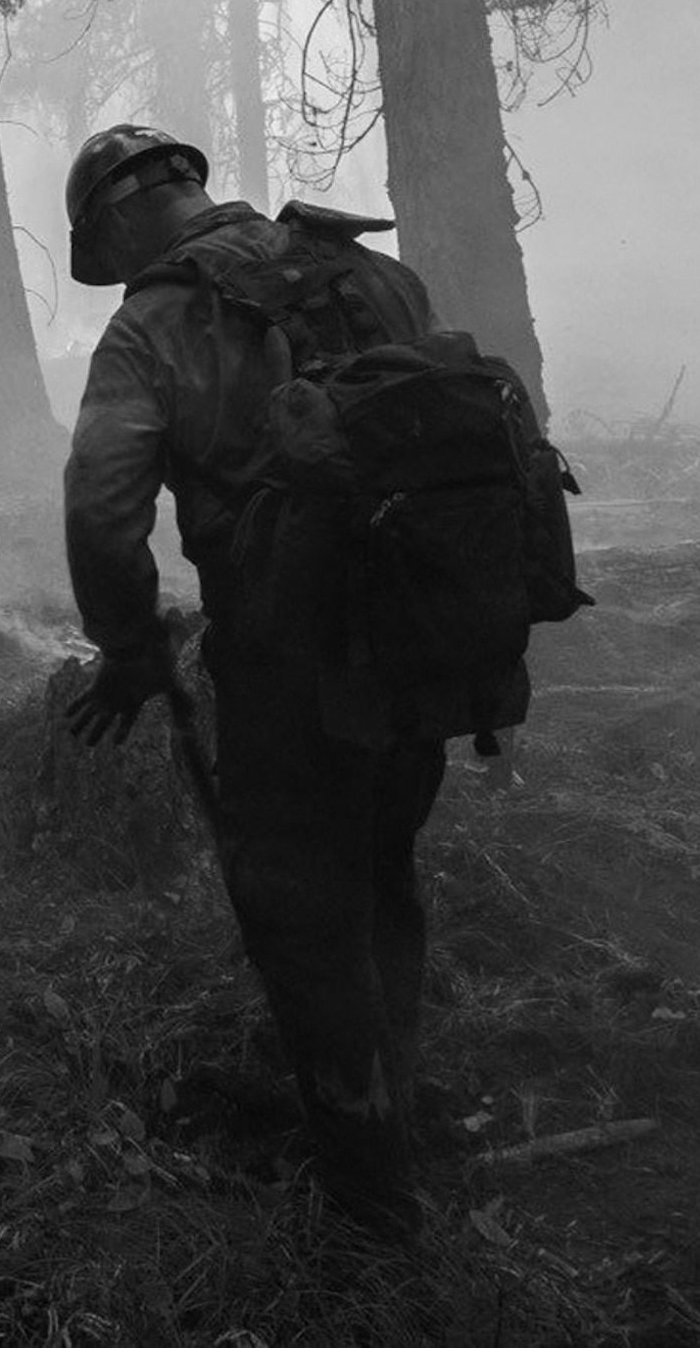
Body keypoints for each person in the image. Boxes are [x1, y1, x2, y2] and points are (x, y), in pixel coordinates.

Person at [57, 123, 448, 1238]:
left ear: (125, 216)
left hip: (287, 660)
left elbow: (100, 504)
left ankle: (370, 1192)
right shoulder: (371, 273)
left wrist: (130, 652)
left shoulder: (155, 325)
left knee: (301, 904)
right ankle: (391, 1094)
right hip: (418, 640)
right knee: (382, 867)